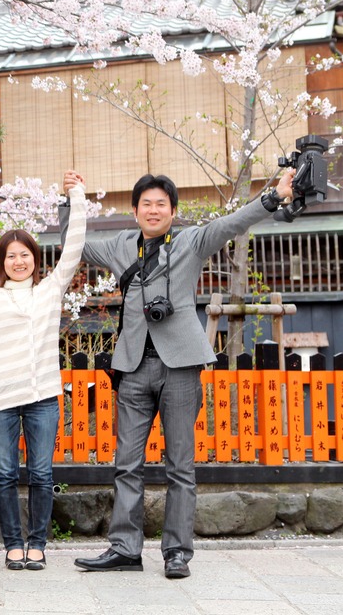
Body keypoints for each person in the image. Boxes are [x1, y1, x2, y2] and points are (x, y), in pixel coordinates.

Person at [71, 168, 296, 580]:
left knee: (180, 465)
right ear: (135, 211)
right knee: (126, 463)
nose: (153, 210)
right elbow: (75, 246)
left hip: (180, 365)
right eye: (146, 204)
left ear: (173, 211)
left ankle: (177, 553)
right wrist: (73, 199)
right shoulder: (120, 246)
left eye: (161, 204)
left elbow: (231, 223)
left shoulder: (191, 241)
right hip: (133, 366)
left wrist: (273, 197)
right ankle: (124, 548)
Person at [0, 171, 88, 571]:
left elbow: (74, 247)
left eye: (25, 254)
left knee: (41, 473)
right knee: (5, 474)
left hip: (43, 397)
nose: (19, 261)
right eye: (11, 256)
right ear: (1, 262)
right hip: (1, 400)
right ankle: (12, 544)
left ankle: (37, 543)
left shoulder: (50, 290)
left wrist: (77, 196)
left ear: (34, 259)